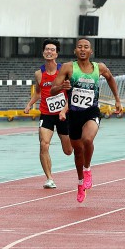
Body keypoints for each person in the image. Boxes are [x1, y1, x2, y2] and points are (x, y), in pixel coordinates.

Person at [50, 38, 122, 203]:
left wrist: (117, 99)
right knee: (77, 152)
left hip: (91, 112)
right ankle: (80, 182)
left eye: (86, 47)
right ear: (75, 51)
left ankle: (88, 170)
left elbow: (110, 78)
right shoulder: (68, 67)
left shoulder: (99, 68)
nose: (83, 49)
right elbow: (53, 89)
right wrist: (62, 87)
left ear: (91, 52)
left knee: (87, 139)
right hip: (74, 115)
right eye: (79, 47)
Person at [24, 39, 73, 189]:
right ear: (43, 52)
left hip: (63, 114)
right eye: (47, 49)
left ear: (56, 53)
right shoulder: (39, 74)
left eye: (52, 49)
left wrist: (65, 109)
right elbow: (38, 92)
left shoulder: (64, 71)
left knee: (68, 151)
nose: (49, 52)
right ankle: (49, 178)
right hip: (46, 114)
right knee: (43, 145)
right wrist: (29, 104)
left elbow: (71, 93)